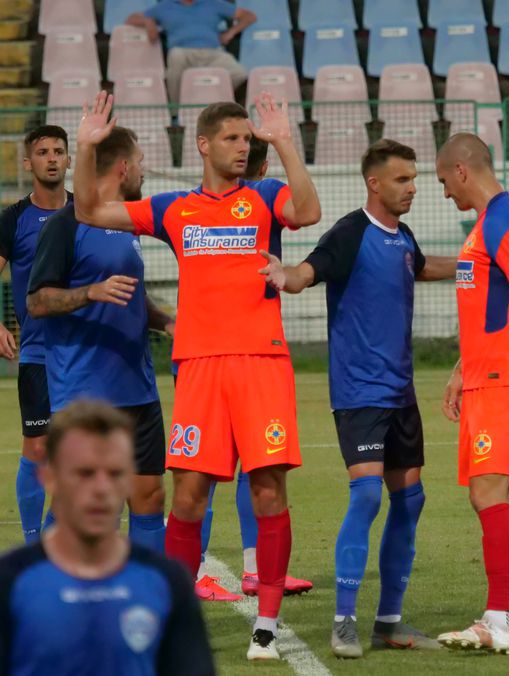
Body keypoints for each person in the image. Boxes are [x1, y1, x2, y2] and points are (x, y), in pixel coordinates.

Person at [71, 90, 322, 661]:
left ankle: (266, 625)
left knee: (268, 488)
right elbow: (89, 210)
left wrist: (284, 142)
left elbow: (308, 211)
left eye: (247, 139)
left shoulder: (264, 197)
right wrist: (85, 149)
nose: (243, 147)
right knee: (187, 498)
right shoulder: (173, 208)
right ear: (203, 145)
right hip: (200, 367)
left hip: (261, 363)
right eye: (232, 138)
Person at [258, 139, 457, 657]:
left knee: (410, 501)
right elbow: (309, 270)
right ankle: (343, 620)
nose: (412, 188)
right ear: (374, 182)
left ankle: (388, 622)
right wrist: (286, 277)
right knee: (367, 496)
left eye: (414, 178)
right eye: (402, 179)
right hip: (359, 393)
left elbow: (419, 266)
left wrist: (474, 265)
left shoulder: (403, 237)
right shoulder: (350, 232)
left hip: (401, 393)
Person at [0, 400, 215, 675]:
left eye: (115, 473)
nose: (101, 489)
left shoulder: (167, 582)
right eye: (85, 473)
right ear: (49, 477)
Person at [25, 126, 173, 554]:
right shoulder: (65, 224)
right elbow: (37, 301)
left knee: (149, 496)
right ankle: (48, 581)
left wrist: (167, 322)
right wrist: (89, 292)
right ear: (123, 168)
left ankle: (145, 587)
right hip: (85, 392)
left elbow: (130, 295)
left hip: (138, 387)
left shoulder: (129, 223)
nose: (144, 171)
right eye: (140, 162)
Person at [433, 133, 509, 654]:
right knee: (492, 497)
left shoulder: (503, 219)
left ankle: (496, 620)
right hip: (486, 377)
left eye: (444, 181)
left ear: (462, 170)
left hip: (507, 377)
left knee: (487, 495)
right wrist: (463, 368)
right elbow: (490, 305)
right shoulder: (487, 223)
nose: (444, 192)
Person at [194, 136, 314, 603]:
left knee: (235, 467)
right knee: (234, 468)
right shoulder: (260, 196)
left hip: (217, 352)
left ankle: (242, 569)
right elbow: (307, 210)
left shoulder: (212, 201)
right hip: (233, 354)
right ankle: (224, 568)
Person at [0, 125, 72, 543]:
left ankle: (55, 534)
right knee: (36, 448)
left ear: (69, 160)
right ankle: (34, 544)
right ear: (28, 162)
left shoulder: (87, 211)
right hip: (38, 354)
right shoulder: (12, 220)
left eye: (59, 151)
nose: (52, 158)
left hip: (83, 354)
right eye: (43, 152)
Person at [127, 0, 255, 103]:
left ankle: (225, 103)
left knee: (240, 74)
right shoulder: (165, 6)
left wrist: (231, 32)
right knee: (175, 58)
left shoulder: (213, 3)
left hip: (213, 52)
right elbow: (131, 18)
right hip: (182, 52)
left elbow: (249, 16)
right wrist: (148, 21)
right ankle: (177, 110)